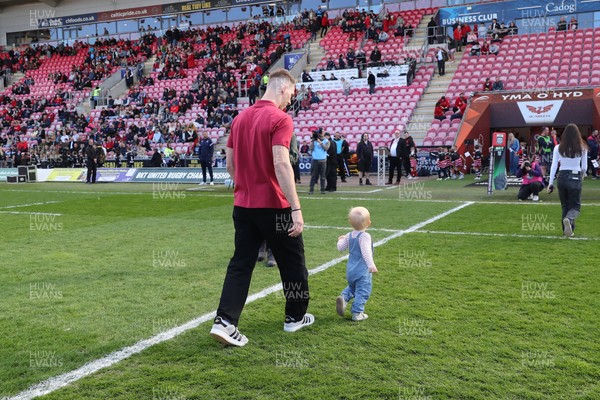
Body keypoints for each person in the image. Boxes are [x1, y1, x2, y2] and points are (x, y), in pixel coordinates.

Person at [210, 69, 313, 347]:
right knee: (293, 264)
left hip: (243, 205)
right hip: (275, 206)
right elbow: (281, 163)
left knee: (240, 264)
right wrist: (296, 208)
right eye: (291, 94)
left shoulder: (239, 118)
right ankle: (295, 317)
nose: (290, 101)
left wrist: (247, 185)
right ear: (282, 89)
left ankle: (225, 321)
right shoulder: (280, 119)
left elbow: (231, 166)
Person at [336, 207, 378, 322]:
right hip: (362, 271)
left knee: (352, 287)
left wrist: (340, 239)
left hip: (351, 270)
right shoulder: (365, 236)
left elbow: (341, 248)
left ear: (350, 222)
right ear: (369, 222)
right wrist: (371, 265)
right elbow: (366, 252)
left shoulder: (349, 235)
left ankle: (344, 298)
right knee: (363, 290)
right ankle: (357, 313)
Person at [547, 123, 588, 237]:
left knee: (565, 205)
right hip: (575, 176)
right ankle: (569, 220)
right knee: (575, 206)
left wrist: (550, 183)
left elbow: (554, 166)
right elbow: (584, 167)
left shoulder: (558, 147)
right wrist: (582, 176)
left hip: (562, 176)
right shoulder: (582, 147)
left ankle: (567, 231)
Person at [309, 128, 329, 194]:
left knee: (322, 176)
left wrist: (320, 142)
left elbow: (326, 148)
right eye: (320, 132)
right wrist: (313, 140)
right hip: (315, 160)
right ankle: (311, 190)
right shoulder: (314, 141)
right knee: (313, 176)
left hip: (323, 160)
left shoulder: (326, 141)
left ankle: (322, 190)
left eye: (322, 132)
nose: (321, 133)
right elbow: (310, 148)